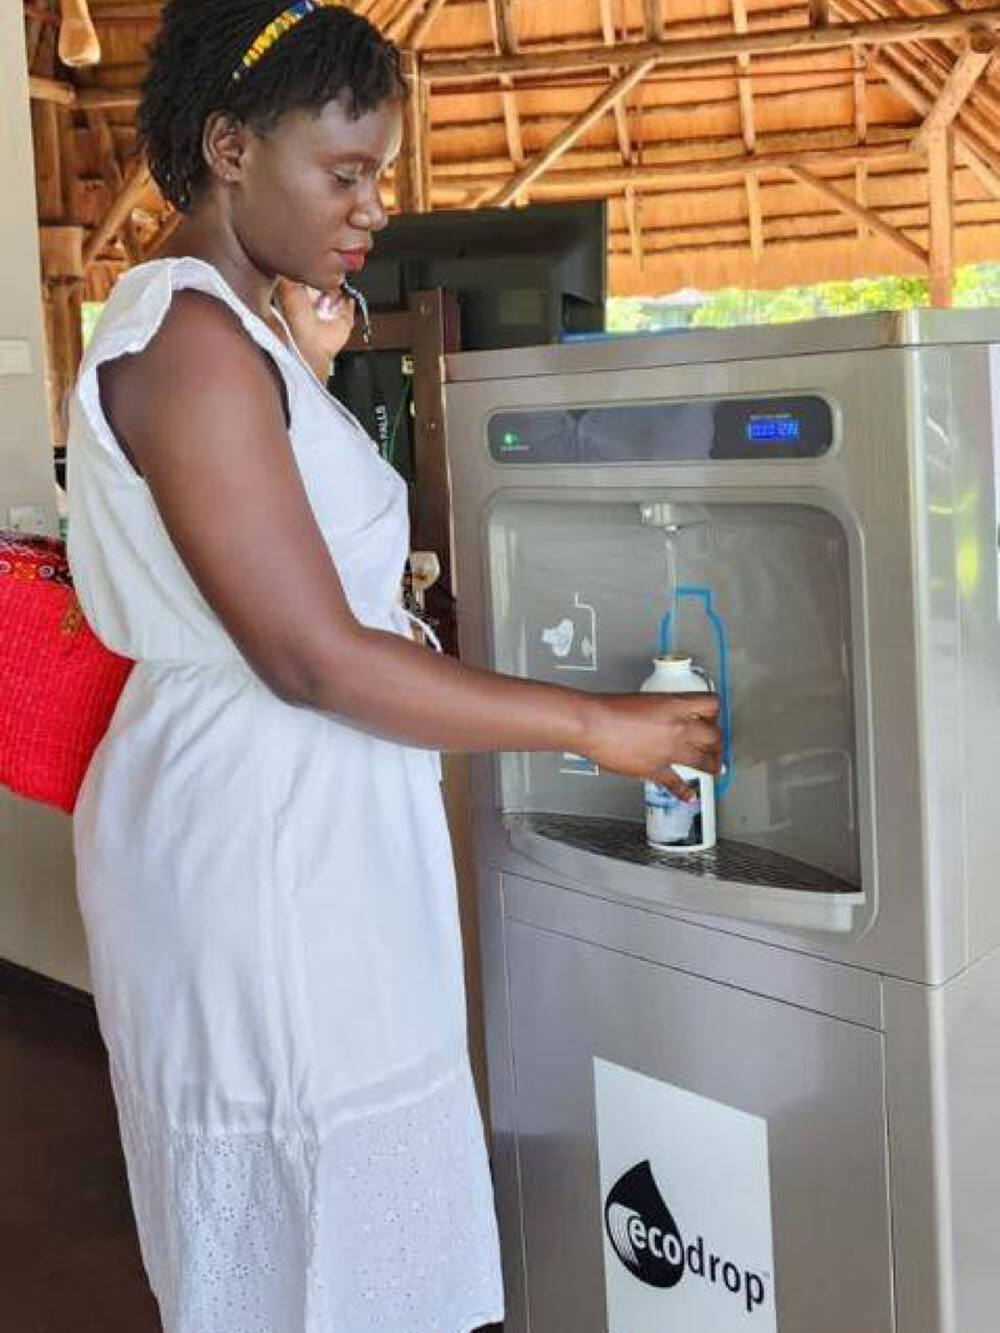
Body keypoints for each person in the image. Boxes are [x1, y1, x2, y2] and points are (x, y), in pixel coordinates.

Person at [64, 3, 723, 1331]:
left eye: (384, 171)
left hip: (297, 825)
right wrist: (597, 726)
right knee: (316, 1218)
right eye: (345, 170)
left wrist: (297, 364)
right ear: (231, 147)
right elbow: (309, 658)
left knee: (338, 1228)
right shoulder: (189, 342)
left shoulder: (236, 338)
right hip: (258, 835)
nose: (375, 206)